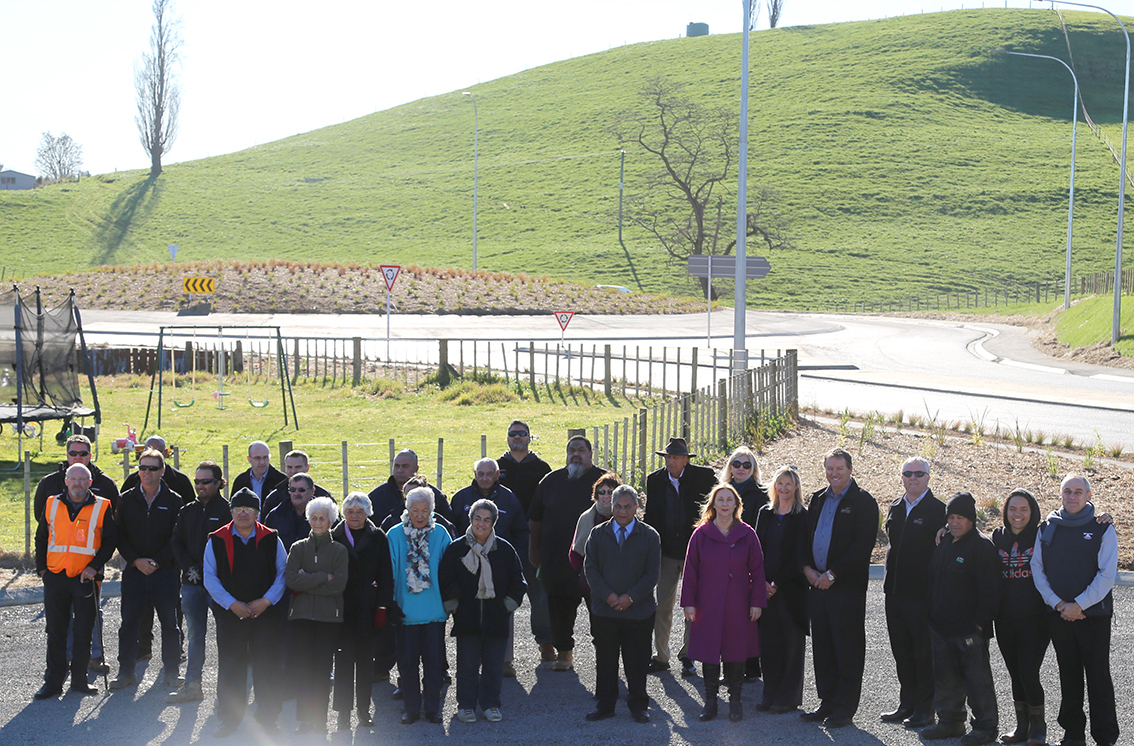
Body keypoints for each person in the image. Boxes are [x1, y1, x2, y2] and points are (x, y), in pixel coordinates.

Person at [1031, 474, 1119, 746]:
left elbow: (1107, 574)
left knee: (1098, 676)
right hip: (1059, 615)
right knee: (1068, 674)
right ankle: (1073, 734)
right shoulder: (1046, 527)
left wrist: (1079, 605)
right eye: (1067, 491)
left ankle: (1105, 737)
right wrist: (1059, 604)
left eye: (1078, 492)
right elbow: (1037, 568)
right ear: (1061, 495)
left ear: (1088, 495)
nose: (1072, 496)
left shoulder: (1103, 528)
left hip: (1093, 616)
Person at [799, 446, 879, 729]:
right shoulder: (818, 499)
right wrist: (808, 569)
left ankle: (844, 709)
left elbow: (862, 546)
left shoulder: (864, 502)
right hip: (817, 586)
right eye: (829, 468)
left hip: (845, 589)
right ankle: (827, 702)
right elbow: (806, 536)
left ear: (850, 470)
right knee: (823, 647)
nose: (834, 473)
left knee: (847, 649)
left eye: (839, 469)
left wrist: (832, 574)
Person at [203, 488, 288, 738]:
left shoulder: (271, 538)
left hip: (266, 615)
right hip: (231, 616)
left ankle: (269, 717)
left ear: (257, 513)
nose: (243, 513)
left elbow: (283, 573)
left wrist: (266, 601)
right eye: (238, 508)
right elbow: (210, 578)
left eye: (248, 509)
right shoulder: (216, 539)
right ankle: (228, 720)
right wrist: (232, 604)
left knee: (268, 667)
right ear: (231, 511)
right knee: (231, 667)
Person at [33, 434, 119, 675]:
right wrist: (42, 568)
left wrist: (97, 563)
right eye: (73, 453)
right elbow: (43, 524)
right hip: (58, 568)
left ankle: (94, 657)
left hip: (90, 567)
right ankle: (65, 661)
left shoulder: (105, 484)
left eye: (83, 453)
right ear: (66, 455)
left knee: (91, 616)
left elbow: (112, 527)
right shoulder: (50, 483)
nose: (78, 457)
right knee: (59, 622)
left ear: (90, 456)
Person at [921, 491, 1002, 746]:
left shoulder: (981, 547)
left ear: (971, 520)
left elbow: (991, 591)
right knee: (945, 679)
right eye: (951, 518)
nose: (955, 522)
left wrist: (979, 624)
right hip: (940, 627)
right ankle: (950, 722)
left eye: (961, 518)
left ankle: (986, 728)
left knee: (977, 682)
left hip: (969, 631)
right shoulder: (945, 541)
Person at [681, 484, 766, 722]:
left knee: (736, 651)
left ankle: (735, 701)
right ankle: (710, 702)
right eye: (721, 500)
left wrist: (757, 602)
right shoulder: (701, 534)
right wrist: (688, 602)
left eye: (730, 500)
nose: (725, 504)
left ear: (737, 505)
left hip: (739, 602)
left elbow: (758, 570)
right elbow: (690, 571)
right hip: (707, 603)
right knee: (709, 652)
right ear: (713, 504)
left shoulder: (747, 534)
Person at [440, 498, 527, 723]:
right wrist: (454, 607)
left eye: (487, 519)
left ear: (493, 523)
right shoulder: (456, 548)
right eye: (477, 518)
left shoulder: (505, 550)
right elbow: (445, 579)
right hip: (467, 618)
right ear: (471, 520)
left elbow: (518, 583)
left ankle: (491, 704)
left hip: (496, 619)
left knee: (493, 666)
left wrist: (505, 608)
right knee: (467, 665)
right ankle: (466, 705)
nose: (481, 523)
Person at [583, 485, 661, 723]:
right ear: (611, 506)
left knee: (636, 661)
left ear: (636, 507)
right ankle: (605, 705)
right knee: (605, 661)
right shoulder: (597, 534)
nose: (622, 511)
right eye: (618, 506)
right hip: (604, 611)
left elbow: (652, 575)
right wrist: (609, 597)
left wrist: (630, 598)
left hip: (638, 612)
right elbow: (591, 570)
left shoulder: (650, 536)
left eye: (628, 506)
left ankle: (638, 705)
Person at [528, 435, 605, 672]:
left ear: (591, 454)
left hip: (597, 562)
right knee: (559, 610)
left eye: (581, 450)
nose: (576, 454)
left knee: (601, 611)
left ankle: (604, 654)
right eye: (572, 449)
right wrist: (534, 549)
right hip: (557, 560)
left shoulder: (605, 481)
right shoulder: (551, 481)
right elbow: (535, 520)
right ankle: (564, 653)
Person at [108, 447, 183, 691]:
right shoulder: (126, 499)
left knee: (170, 624)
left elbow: (176, 538)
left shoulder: (174, 500)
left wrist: (157, 562)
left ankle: (172, 672)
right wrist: (136, 561)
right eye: (142, 468)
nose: (146, 472)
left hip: (166, 573)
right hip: (134, 572)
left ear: (162, 471)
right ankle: (126, 672)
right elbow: (118, 535)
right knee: (129, 624)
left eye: (152, 468)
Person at [642, 436, 716, 677]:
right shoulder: (655, 480)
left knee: (692, 605)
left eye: (675, 457)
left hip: (695, 552)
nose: (670, 461)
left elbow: (714, 510)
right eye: (668, 457)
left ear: (686, 460)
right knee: (662, 604)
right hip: (666, 552)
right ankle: (661, 656)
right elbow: (651, 517)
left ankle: (688, 655)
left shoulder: (703, 478)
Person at [880, 457, 946, 729]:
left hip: (922, 596)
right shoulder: (895, 506)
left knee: (923, 654)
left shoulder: (939, 510)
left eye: (919, 473)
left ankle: (925, 709)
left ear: (928, 477)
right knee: (902, 652)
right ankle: (906, 703)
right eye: (908, 473)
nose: (913, 477)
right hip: (894, 594)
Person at [449, 457, 529, 676]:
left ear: (497, 475)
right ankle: (469, 662)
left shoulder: (510, 499)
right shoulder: (461, 498)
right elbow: (453, 530)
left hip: (500, 565)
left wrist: (516, 560)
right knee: (468, 615)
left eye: (489, 474)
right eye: (480, 474)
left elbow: (521, 531)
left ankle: (503, 661)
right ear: (475, 474)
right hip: (467, 565)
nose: (485, 478)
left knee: (501, 613)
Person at [387, 487, 452, 725]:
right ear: (408, 509)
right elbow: (389, 573)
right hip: (405, 612)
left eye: (425, 510)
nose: (420, 515)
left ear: (432, 511)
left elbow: (448, 573)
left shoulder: (442, 534)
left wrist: (450, 603)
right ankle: (411, 709)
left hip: (435, 612)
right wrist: (391, 603)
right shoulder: (394, 535)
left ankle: (433, 709)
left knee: (434, 664)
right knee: (407, 663)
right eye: (415, 510)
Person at [284, 496, 349, 735]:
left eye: (323, 518)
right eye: (314, 518)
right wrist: (323, 576)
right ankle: (305, 719)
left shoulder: (340, 551)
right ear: (308, 519)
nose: (318, 522)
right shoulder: (298, 547)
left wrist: (307, 580)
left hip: (328, 620)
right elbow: (291, 581)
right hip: (300, 618)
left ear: (331, 521)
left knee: (322, 670)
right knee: (303, 669)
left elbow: (339, 585)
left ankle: (319, 719)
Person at [168, 460, 230, 703]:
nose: (200, 486)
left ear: (218, 483)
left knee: (226, 636)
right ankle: (193, 685)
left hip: (220, 586)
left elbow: (228, 548)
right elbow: (177, 543)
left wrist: (208, 572)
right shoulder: (187, 511)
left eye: (205, 481)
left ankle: (227, 690)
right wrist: (190, 569)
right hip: (192, 584)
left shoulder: (227, 511)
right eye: (197, 481)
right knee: (195, 637)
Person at [331, 492, 394, 730]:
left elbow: (386, 575)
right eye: (350, 512)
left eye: (359, 512)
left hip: (368, 611)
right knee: (343, 664)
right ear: (344, 513)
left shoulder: (378, 537)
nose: (354, 516)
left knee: (366, 665)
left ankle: (363, 711)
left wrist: (382, 607)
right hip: (342, 611)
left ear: (367, 513)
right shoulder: (334, 535)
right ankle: (343, 714)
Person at [991, 488, 1048, 745]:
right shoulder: (997, 537)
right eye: (1013, 508)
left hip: (1035, 619)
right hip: (1004, 619)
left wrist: (1103, 517)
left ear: (1032, 511)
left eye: (1024, 509)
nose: (1018, 514)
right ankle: (1021, 726)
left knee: (1028, 671)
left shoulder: (1043, 534)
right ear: (1005, 511)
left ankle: (1038, 726)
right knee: (1015, 673)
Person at [753, 465, 809, 714]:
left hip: (791, 590)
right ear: (773, 486)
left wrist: (776, 583)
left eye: (788, 483)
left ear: (796, 487)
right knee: (769, 644)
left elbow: (800, 555)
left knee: (791, 644)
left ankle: (788, 697)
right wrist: (762, 582)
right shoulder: (765, 513)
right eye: (779, 483)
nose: (784, 488)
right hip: (765, 589)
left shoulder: (802, 516)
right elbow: (756, 550)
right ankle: (770, 693)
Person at [497, 419, 554, 662]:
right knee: (498, 595)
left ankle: (546, 642)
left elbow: (550, 506)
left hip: (533, 539)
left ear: (530, 438)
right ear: (507, 438)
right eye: (513, 434)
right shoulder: (497, 467)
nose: (517, 437)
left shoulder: (542, 468)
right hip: (502, 539)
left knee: (539, 594)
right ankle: (499, 649)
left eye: (522, 434)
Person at [722, 445, 768, 681]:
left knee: (749, 617)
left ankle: (751, 668)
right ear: (730, 467)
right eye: (736, 464)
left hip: (748, 561)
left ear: (753, 469)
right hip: (723, 562)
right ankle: (729, 669)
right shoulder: (721, 492)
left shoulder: (761, 495)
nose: (740, 469)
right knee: (725, 617)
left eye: (746, 465)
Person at [369, 448, 454, 526]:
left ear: (416, 469)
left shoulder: (436, 497)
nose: (400, 470)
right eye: (397, 466)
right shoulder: (376, 496)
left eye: (405, 466)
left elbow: (449, 526)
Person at [568, 473, 619, 598]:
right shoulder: (586, 518)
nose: (606, 496)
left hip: (620, 582)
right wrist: (582, 574)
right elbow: (574, 552)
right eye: (602, 492)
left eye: (610, 492)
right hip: (592, 583)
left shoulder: (626, 517)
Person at [119, 435, 193, 504]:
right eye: (148, 451)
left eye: (158, 451)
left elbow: (190, 512)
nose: (153, 455)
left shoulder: (181, 481)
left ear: (166, 453)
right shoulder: (132, 481)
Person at [261, 449, 332, 516]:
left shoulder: (323, 496)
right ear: (285, 468)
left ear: (307, 467)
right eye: (289, 467)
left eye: (298, 467)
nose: (293, 471)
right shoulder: (274, 498)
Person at [265, 472, 316, 551]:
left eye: (301, 490)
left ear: (312, 491)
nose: (296, 493)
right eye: (292, 490)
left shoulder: (323, 514)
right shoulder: (275, 515)